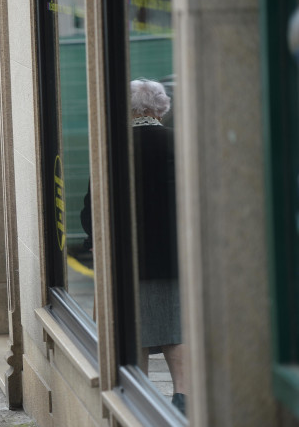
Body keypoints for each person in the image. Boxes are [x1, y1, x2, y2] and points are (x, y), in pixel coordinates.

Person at [130, 78, 187, 415]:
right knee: (174, 327)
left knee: (135, 329)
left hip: (130, 254)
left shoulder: (114, 145)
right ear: (158, 108)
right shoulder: (177, 142)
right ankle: (182, 395)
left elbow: (93, 205)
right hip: (173, 252)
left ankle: (140, 395)